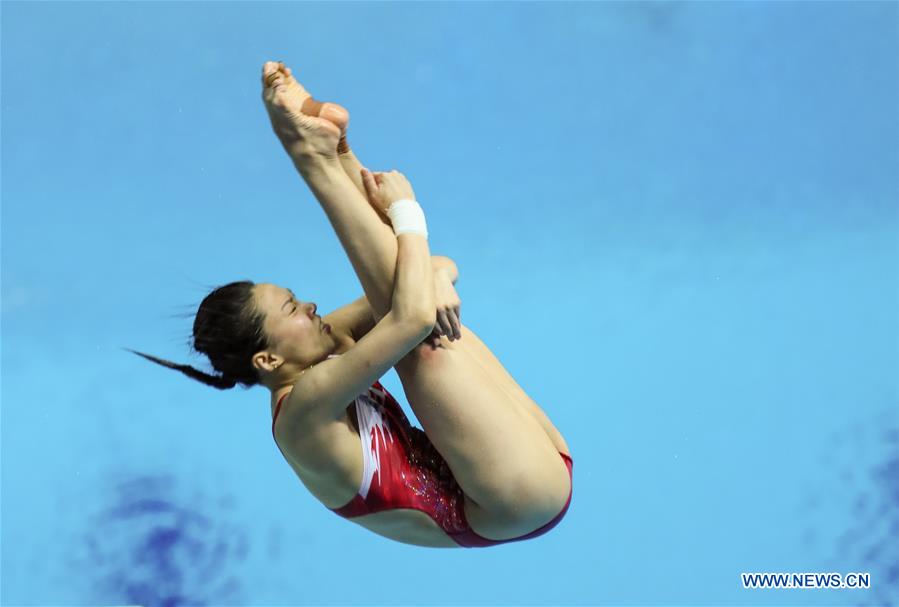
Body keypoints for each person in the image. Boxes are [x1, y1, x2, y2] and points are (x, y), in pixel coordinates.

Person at [128, 61, 572, 549]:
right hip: (507, 501)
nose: (311, 306)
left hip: (524, 464)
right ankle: (312, 158)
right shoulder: (304, 412)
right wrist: (407, 212)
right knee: (417, 343)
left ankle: (336, 153)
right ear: (269, 360)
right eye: (293, 309)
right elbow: (414, 316)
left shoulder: (319, 352)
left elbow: (430, 273)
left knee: (405, 315)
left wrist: (436, 277)